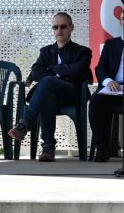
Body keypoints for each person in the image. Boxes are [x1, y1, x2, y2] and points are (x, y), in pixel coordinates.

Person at [8, 12, 92, 162]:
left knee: (47, 82)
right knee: (48, 97)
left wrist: (52, 69)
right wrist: (63, 70)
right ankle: (48, 147)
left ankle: (24, 124)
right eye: (55, 27)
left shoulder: (83, 52)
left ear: (71, 27)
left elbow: (78, 71)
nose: (59, 30)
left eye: (63, 26)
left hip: (72, 92)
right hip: (51, 95)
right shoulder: (46, 51)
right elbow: (36, 72)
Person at [89, 22, 124, 163]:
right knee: (96, 101)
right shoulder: (111, 44)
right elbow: (100, 68)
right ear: (121, 21)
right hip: (114, 88)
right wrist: (109, 81)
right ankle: (102, 147)